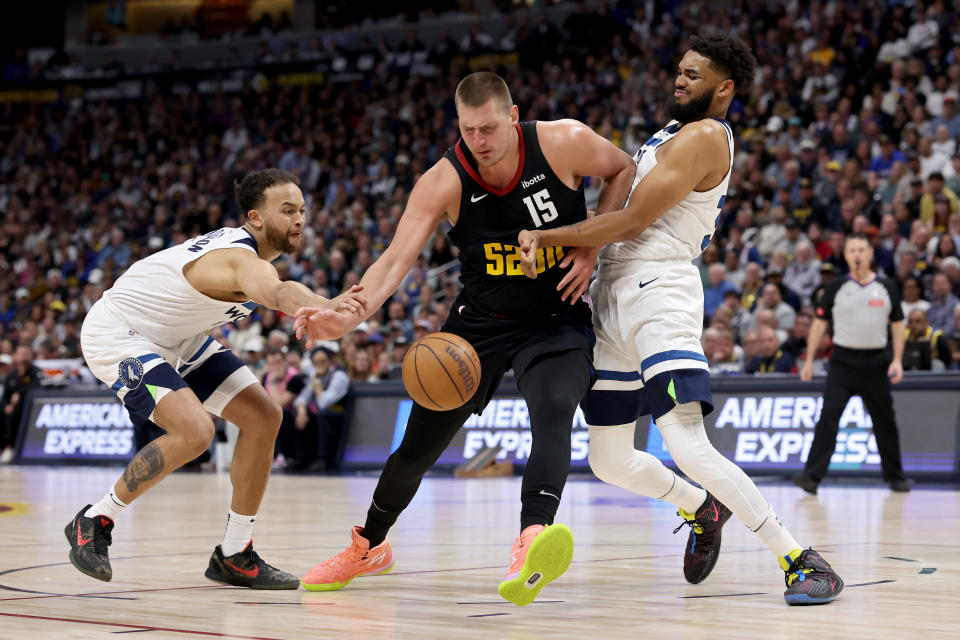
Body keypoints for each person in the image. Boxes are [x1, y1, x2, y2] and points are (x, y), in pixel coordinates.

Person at [517, 34, 843, 605]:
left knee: (686, 444)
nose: (680, 80)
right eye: (680, 71)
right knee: (608, 459)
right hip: (615, 291)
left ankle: (799, 558)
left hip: (658, 289)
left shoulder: (705, 136)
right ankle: (701, 506)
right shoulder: (669, 134)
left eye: (694, 74)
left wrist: (549, 236)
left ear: (725, 88)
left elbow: (634, 219)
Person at [294, 71, 637, 605]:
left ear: (514, 116)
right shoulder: (444, 179)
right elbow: (394, 260)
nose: (479, 140)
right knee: (416, 448)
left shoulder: (564, 141)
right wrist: (348, 317)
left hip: (555, 319)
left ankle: (532, 539)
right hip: (476, 328)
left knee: (552, 411)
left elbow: (623, 168)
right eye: (468, 129)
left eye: (489, 128)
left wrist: (592, 246)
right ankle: (370, 545)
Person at [65, 168, 365, 587]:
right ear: (256, 218)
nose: (299, 219)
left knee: (264, 416)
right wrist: (324, 305)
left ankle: (235, 553)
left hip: (179, 337)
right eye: (287, 210)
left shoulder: (255, 255)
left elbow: (277, 285)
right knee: (195, 432)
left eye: (302, 210)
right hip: (121, 334)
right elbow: (279, 293)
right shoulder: (238, 259)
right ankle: (95, 519)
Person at [794, 233, 910, 493]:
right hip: (843, 362)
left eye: (861, 249)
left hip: (876, 361)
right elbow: (820, 323)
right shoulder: (835, 287)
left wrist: (898, 360)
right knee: (829, 417)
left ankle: (896, 477)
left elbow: (898, 324)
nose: (857, 254)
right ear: (845, 255)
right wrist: (809, 359)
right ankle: (811, 477)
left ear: (870, 253)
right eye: (851, 250)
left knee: (885, 420)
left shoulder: (886, 286)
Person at [1, 345, 42, 464]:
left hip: (28, 408)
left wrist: (20, 393)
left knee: (15, 413)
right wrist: (5, 406)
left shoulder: (36, 372)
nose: (23, 356)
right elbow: (5, 396)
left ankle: (11, 447)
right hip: (12, 408)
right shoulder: (12, 375)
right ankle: (3, 448)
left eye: (26, 353)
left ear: (31, 356)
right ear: (15, 356)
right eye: (21, 353)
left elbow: (36, 388)